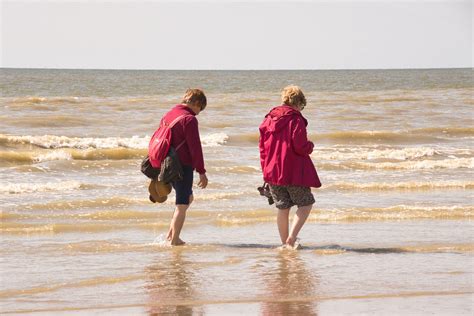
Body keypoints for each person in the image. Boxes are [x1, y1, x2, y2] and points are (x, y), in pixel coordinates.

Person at [259, 85, 321, 249]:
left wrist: (265, 171)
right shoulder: (295, 119)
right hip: (292, 171)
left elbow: (262, 148)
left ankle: (284, 242)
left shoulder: (268, 119)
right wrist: (310, 146)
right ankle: (292, 238)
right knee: (306, 203)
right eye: (302, 105)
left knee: (282, 207)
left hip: (272, 171)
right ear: (299, 102)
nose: (302, 109)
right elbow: (300, 145)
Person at [159, 89, 208, 245]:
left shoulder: (169, 114)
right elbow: (195, 147)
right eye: (200, 109)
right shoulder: (189, 119)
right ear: (197, 103)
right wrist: (201, 171)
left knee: (187, 198)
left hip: (166, 163)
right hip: (182, 166)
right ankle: (174, 240)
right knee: (182, 203)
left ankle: (170, 234)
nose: (198, 113)